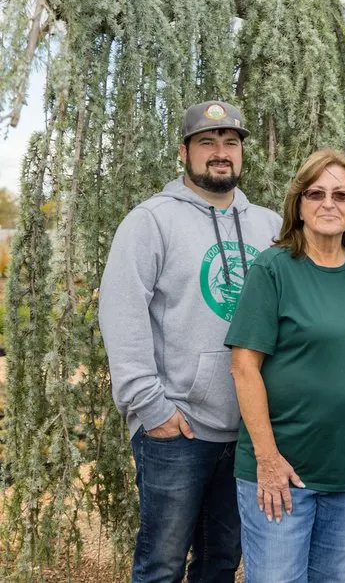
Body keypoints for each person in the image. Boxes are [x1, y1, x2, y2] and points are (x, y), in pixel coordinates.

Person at [99, 100, 281, 582]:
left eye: (230, 142)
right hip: (177, 428)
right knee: (161, 565)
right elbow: (122, 313)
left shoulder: (269, 226)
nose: (220, 152)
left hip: (248, 431)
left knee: (221, 563)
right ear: (184, 152)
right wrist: (151, 407)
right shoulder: (151, 221)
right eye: (207, 142)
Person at [225, 149, 345, 582]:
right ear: (298, 204)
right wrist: (267, 460)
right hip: (283, 472)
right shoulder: (273, 269)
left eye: (341, 195)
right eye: (316, 193)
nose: (329, 204)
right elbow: (244, 367)